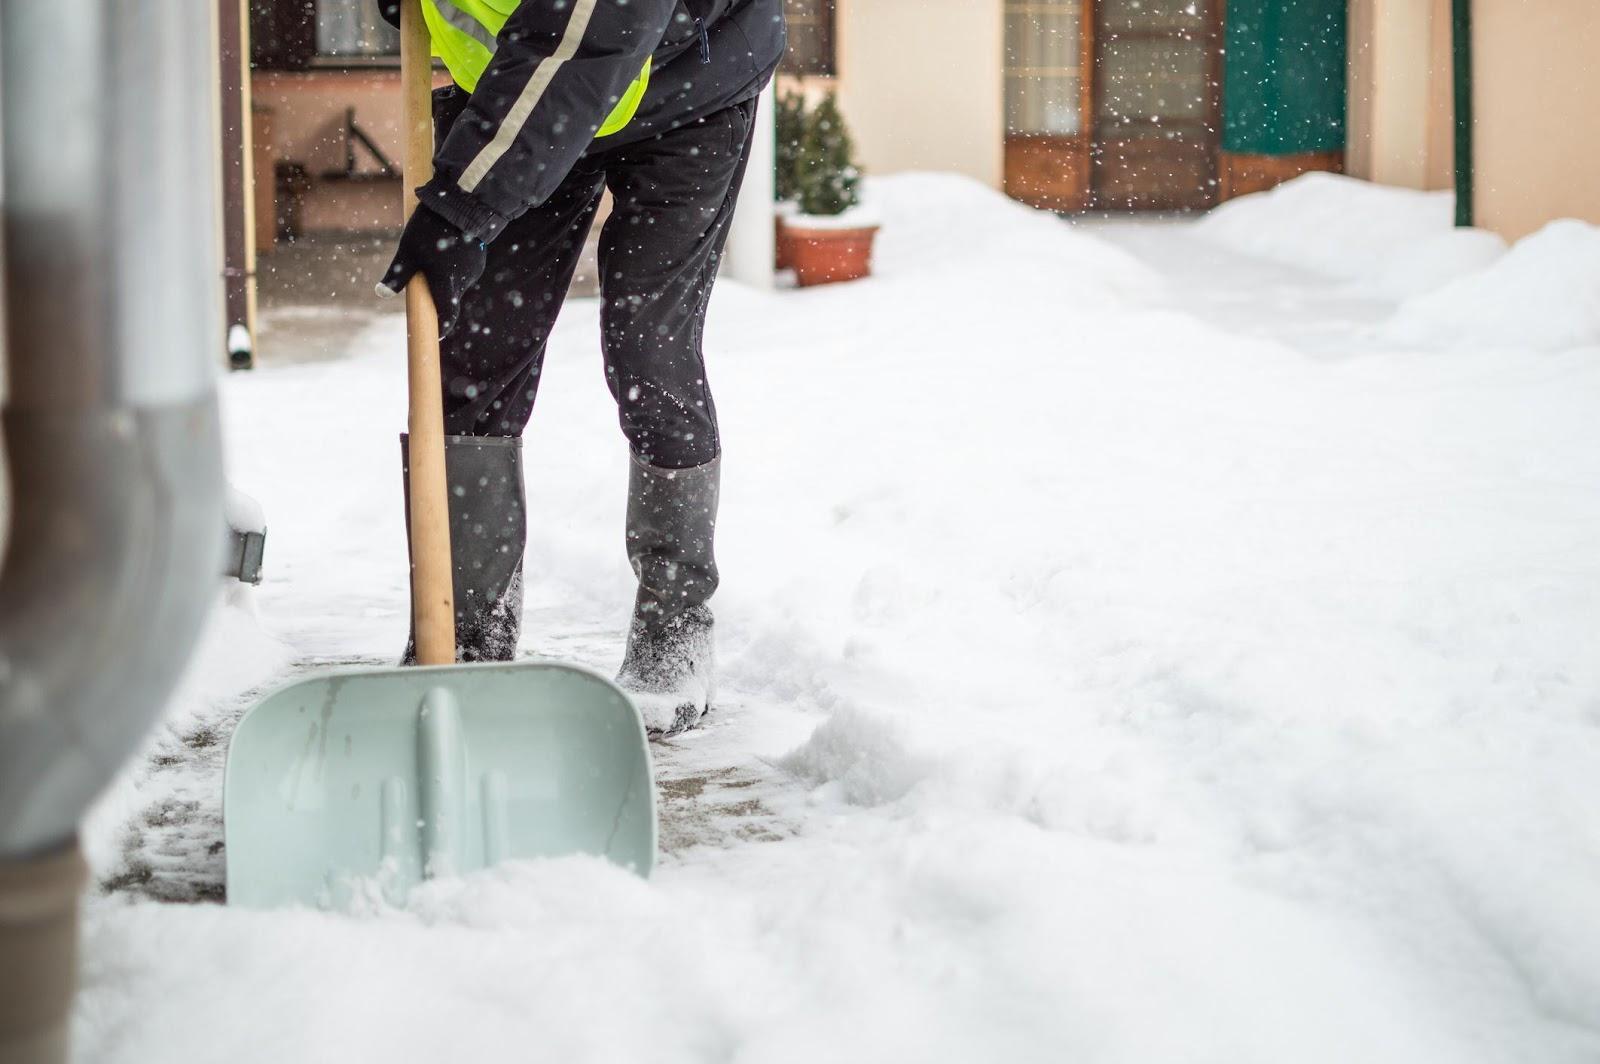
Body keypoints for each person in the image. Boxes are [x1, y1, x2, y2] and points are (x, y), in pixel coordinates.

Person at [376, 0, 785, 737]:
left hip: (688, 81)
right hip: (521, 82)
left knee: (649, 351)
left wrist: (461, 207)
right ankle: (463, 634)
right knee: (474, 359)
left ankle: (675, 624)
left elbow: (594, 34)